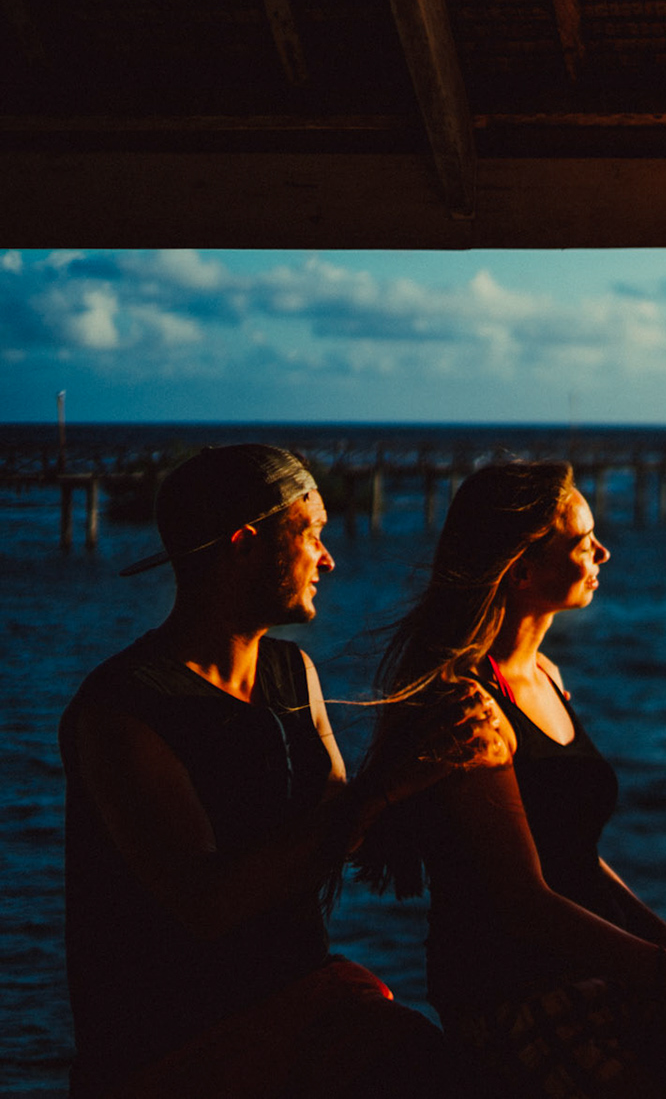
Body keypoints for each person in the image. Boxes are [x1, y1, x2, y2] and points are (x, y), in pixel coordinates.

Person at [352, 460, 666, 1099]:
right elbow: (524, 903)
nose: (604, 550)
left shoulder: (547, 676)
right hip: (516, 998)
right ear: (522, 569)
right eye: (581, 541)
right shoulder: (469, 707)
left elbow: (576, 855)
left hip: (596, 971)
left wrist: (660, 933)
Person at [60, 444, 513, 1098]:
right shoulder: (123, 711)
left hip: (299, 1006)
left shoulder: (291, 673)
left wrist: (439, 748)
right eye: (313, 533)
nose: (328, 557)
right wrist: (389, 785)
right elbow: (209, 905)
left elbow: (343, 825)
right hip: (181, 1049)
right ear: (245, 543)